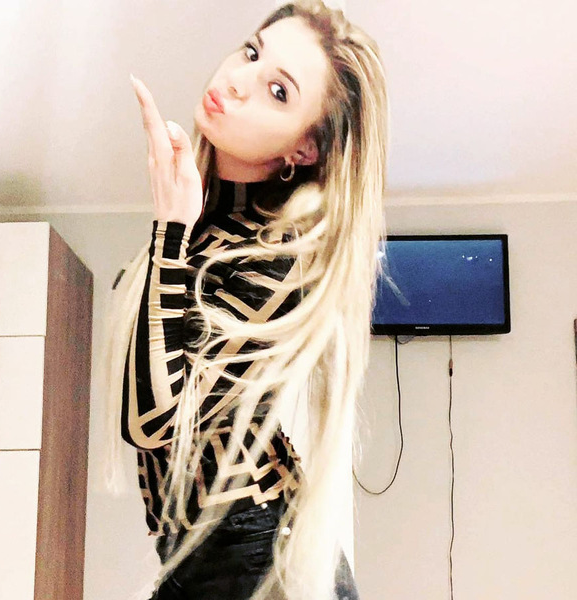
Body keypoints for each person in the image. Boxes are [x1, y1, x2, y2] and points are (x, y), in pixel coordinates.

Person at [101, 1, 389, 599]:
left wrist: (170, 232)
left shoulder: (284, 254)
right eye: (252, 52)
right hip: (193, 559)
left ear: (304, 149)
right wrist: (177, 231)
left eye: (278, 91)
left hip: (261, 558)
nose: (238, 79)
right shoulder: (200, 226)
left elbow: (152, 423)